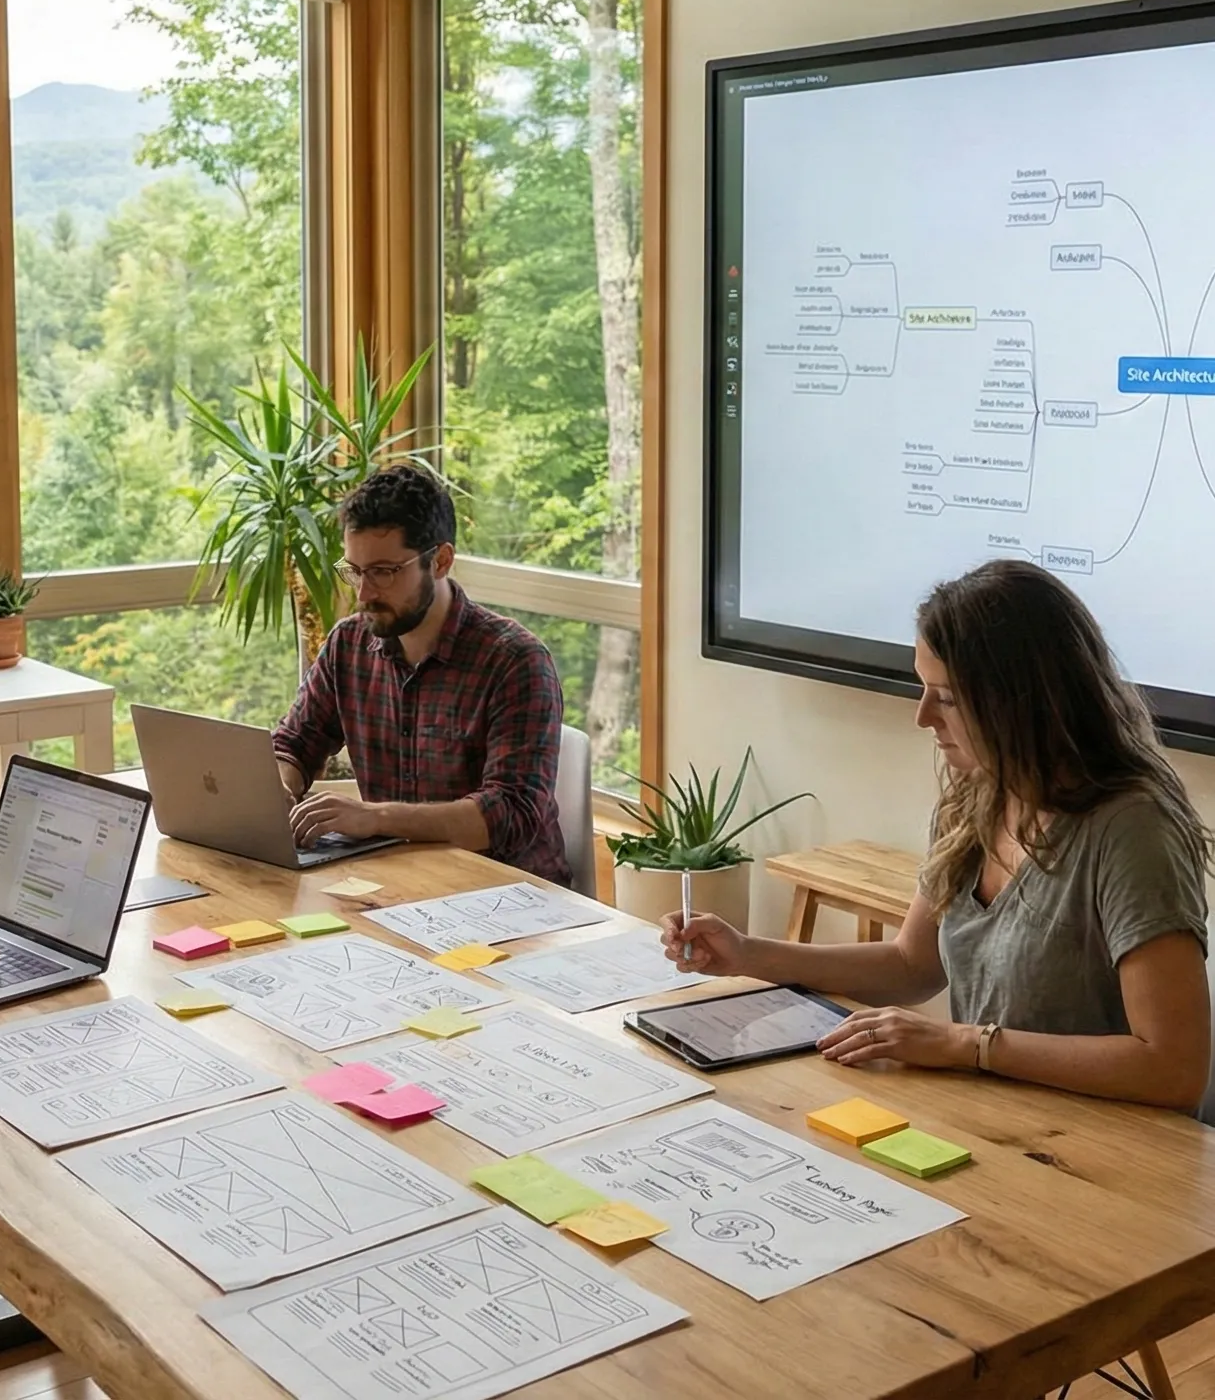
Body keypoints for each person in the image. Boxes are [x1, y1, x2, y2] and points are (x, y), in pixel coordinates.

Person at [662, 559, 1211, 1111]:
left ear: (1022, 702)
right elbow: (912, 965)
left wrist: (964, 1044)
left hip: (1117, 1149)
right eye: (923, 689)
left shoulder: (1133, 830)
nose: (923, 717)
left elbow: (1173, 1069)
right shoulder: (976, 794)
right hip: (995, 1115)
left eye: (945, 697)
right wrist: (747, 954)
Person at [273, 465, 570, 886]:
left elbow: (510, 814)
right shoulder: (349, 645)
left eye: (383, 572)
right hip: (398, 887)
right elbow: (294, 745)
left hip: (510, 899)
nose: (364, 593)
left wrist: (376, 818)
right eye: (354, 570)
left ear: (440, 561)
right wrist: (279, 788)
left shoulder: (515, 660)